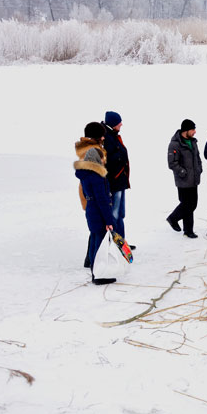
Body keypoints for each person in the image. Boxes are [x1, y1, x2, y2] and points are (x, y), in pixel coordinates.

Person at [74, 147, 116, 285]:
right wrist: (108, 220)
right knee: (100, 244)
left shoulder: (86, 174)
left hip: (91, 210)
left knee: (95, 240)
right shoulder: (97, 176)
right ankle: (99, 275)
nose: (104, 160)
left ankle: (95, 272)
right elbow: (102, 200)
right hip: (98, 211)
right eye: (102, 157)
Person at [75, 122, 107, 268]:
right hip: (92, 191)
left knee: (95, 228)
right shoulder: (92, 150)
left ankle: (90, 259)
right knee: (97, 227)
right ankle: (92, 260)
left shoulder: (89, 147)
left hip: (88, 190)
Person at [101, 110, 133, 248]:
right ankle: (115, 244)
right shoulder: (107, 138)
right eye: (119, 122)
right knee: (114, 215)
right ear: (113, 124)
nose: (121, 124)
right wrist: (120, 159)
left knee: (120, 214)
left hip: (120, 181)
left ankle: (122, 243)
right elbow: (108, 160)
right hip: (115, 182)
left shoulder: (113, 136)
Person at [167, 119, 203, 238]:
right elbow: (172, 163)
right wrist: (182, 171)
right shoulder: (175, 144)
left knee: (192, 204)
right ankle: (173, 218)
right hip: (183, 180)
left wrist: (199, 168)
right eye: (193, 129)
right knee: (187, 204)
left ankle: (188, 230)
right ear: (186, 130)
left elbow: (197, 157)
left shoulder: (193, 142)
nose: (195, 132)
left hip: (194, 179)